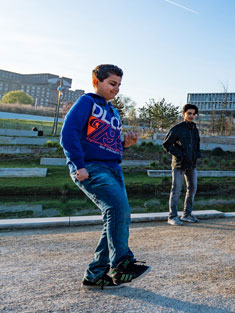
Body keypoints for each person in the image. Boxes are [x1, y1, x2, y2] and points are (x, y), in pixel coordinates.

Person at [61, 64, 151, 289]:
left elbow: (109, 144)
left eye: (119, 85)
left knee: (117, 216)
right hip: (91, 168)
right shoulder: (86, 102)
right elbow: (68, 133)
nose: (116, 89)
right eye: (112, 84)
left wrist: (125, 145)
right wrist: (77, 165)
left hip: (113, 168)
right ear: (96, 82)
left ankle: (95, 274)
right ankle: (121, 265)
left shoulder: (114, 112)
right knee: (117, 210)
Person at [163, 104, 202, 226]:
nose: (191, 116)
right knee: (176, 190)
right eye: (189, 113)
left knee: (193, 188)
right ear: (183, 114)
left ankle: (187, 214)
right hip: (179, 164)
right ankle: (172, 216)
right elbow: (166, 144)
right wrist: (180, 154)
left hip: (191, 164)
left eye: (193, 114)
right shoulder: (177, 128)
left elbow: (196, 145)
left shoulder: (194, 128)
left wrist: (196, 155)